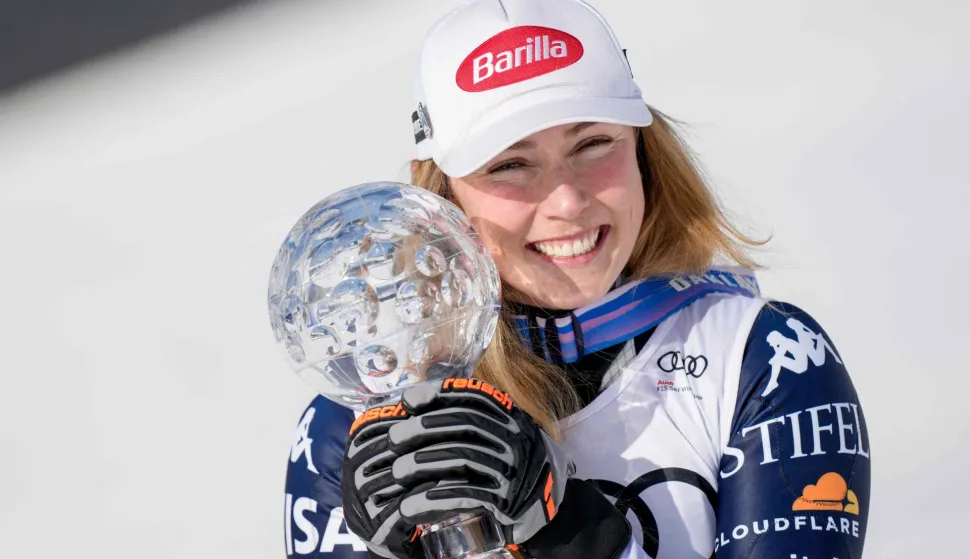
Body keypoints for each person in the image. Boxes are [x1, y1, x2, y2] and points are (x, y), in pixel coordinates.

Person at [283, 1, 871, 558]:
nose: (566, 200)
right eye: (511, 164)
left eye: (593, 144)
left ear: (643, 147)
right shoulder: (361, 422)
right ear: (438, 193)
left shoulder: (765, 359)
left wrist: (570, 531)